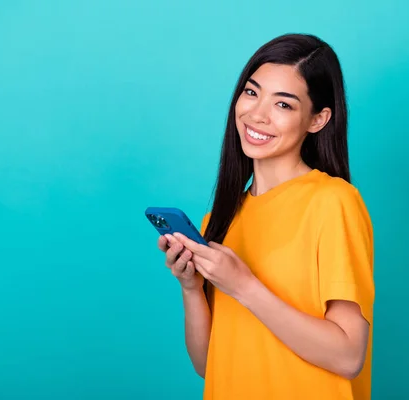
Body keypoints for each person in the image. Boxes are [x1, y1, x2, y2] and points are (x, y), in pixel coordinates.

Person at [157, 33, 375, 400]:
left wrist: (243, 286)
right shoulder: (219, 220)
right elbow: (208, 365)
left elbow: (348, 355)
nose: (257, 115)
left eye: (284, 105)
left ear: (318, 119)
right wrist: (192, 287)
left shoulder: (333, 202)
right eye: (252, 92)